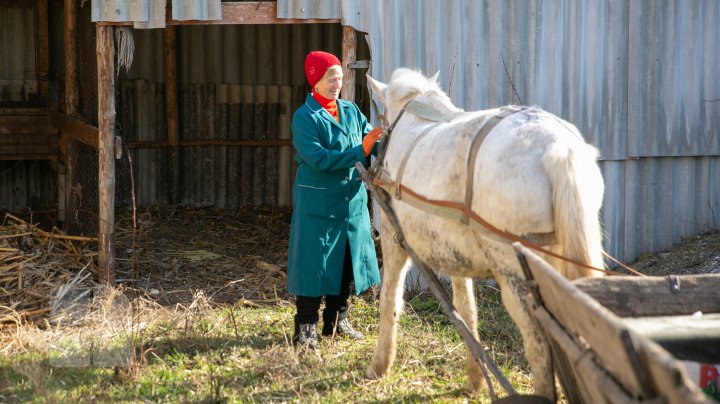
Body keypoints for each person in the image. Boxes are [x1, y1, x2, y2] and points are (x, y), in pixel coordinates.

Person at [286, 50, 383, 349]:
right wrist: (360, 151)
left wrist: (385, 145)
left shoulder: (351, 110)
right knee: (314, 265)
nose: (336, 84)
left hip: (349, 202)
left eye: (340, 78)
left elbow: (372, 142)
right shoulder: (305, 118)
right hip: (319, 204)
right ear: (314, 80)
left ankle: (338, 322)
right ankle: (305, 329)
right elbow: (318, 159)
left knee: (345, 263)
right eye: (330, 78)